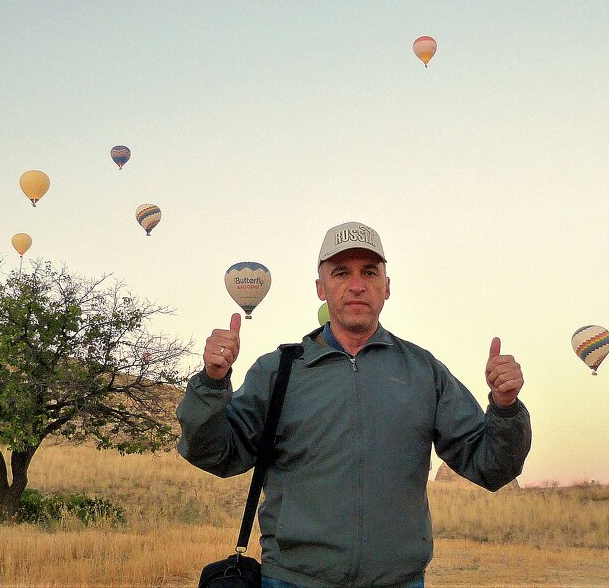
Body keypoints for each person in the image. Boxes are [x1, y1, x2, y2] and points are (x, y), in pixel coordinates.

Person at [178, 221, 532, 588]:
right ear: (321, 287)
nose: (357, 284)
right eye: (341, 272)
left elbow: (491, 466)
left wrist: (504, 407)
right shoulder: (279, 370)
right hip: (292, 581)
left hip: (400, 582)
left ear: (387, 287)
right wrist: (212, 383)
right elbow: (214, 454)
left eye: (370, 272)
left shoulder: (423, 370)